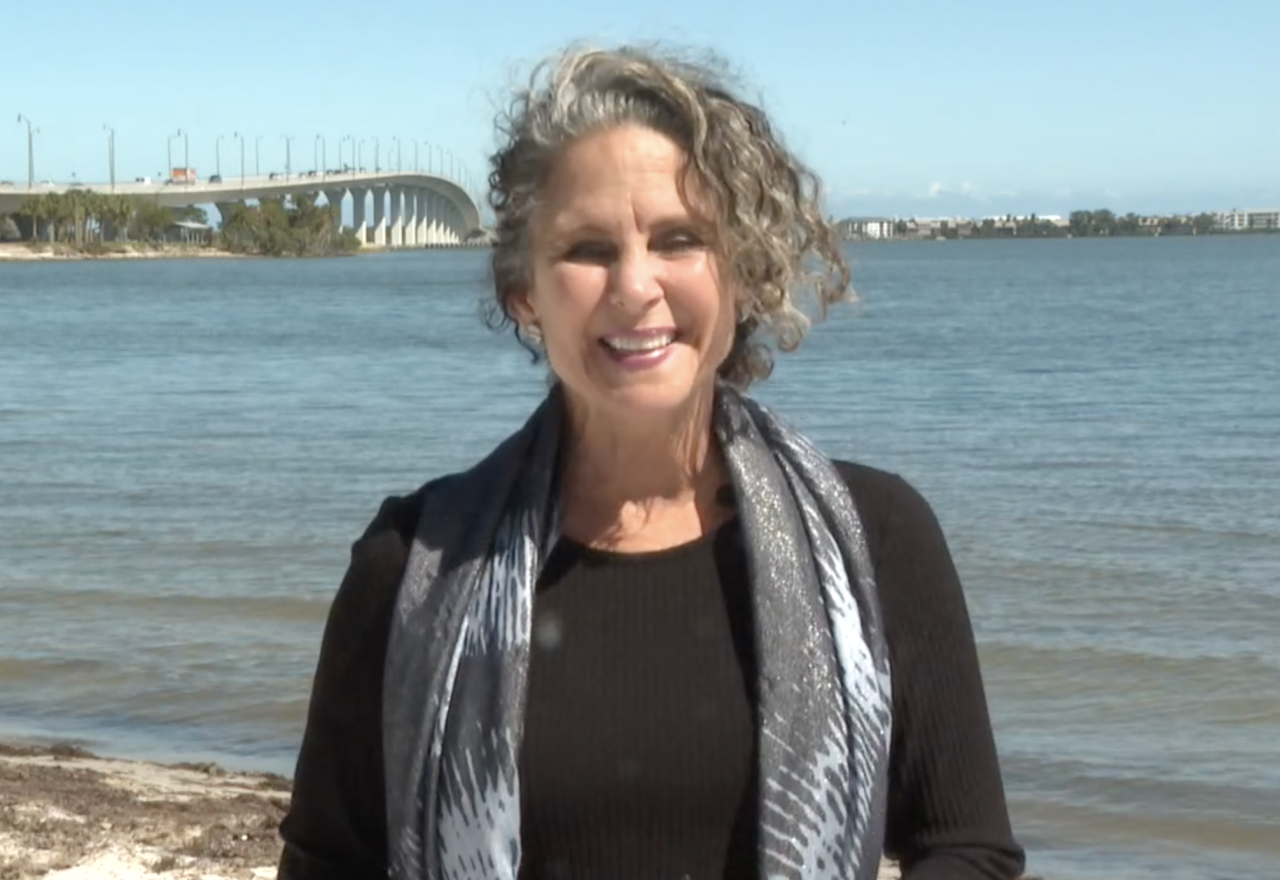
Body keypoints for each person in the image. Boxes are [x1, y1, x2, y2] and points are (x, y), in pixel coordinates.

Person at [277, 43, 1025, 880]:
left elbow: (968, 849)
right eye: (588, 249)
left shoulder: (877, 540)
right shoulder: (414, 564)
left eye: (679, 239)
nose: (635, 287)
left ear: (743, 273)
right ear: (524, 292)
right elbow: (328, 863)